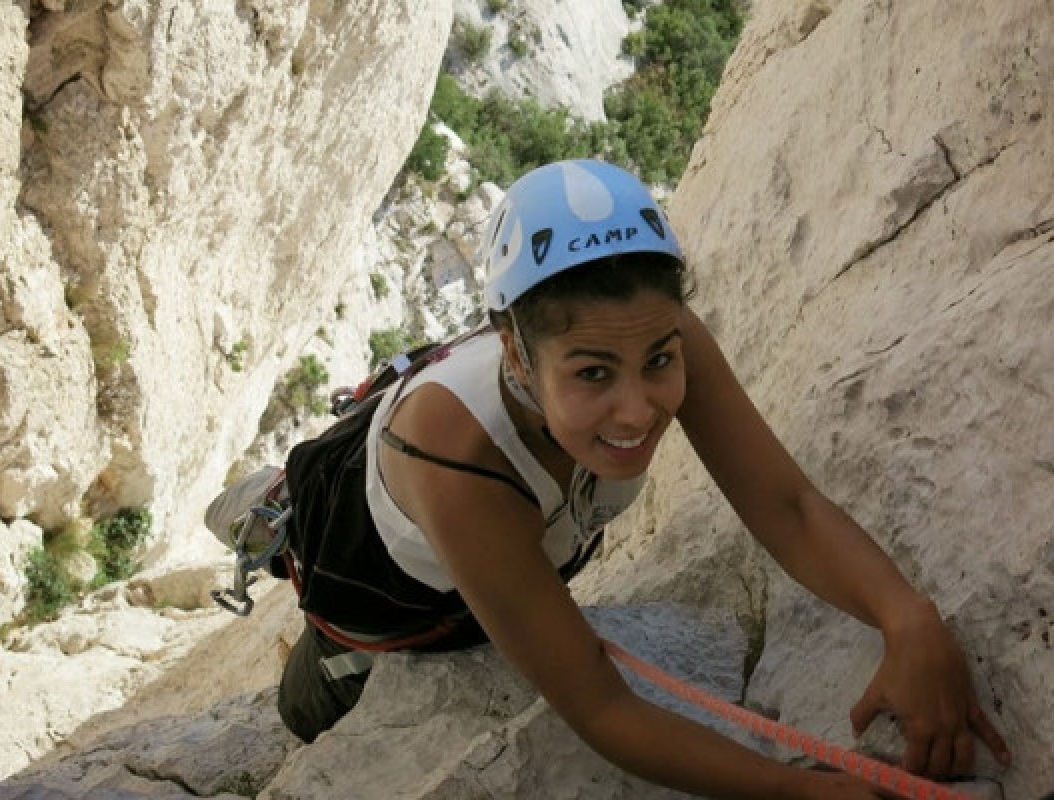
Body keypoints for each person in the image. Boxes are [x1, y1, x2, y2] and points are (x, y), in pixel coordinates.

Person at [216, 159, 1012, 798]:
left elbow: (790, 508)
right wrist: (794, 788)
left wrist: (908, 618)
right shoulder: (455, 459)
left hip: (509, 533)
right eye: (594, 373)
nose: (639, 410)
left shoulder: (645, 324)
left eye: (658, 362)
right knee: (308, 705)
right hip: (377, 590)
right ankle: (265, 507)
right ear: (516, 352)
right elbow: (598, 704)